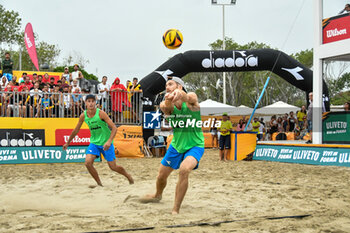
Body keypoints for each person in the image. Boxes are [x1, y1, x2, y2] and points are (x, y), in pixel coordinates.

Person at [140, 76, 205, 214]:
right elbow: (166, 107)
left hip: (195, 145)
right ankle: (158, 194)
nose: (167, 87)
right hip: (176, 145)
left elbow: (191, 97)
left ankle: (176, 209)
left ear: (180, 86)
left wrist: (180, 94)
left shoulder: (191, 102)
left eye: (170, 84)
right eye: (166, 85)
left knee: (184, 170)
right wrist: (169, 98)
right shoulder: (165, 104)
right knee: (161, 176)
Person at [63, 94, 134, 186]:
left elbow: (114, 128)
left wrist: (109, 141)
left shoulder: (101, 113)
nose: (91, 103)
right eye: (89, 101)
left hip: (106, 143)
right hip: (94, 143)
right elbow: (76, 130)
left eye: (93, 101)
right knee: (88, 163)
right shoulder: (83, 116)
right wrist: (68, 142)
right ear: (85, 103)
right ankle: (99, 184)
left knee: (113, 167)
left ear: (95, 103)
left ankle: (128, 176)